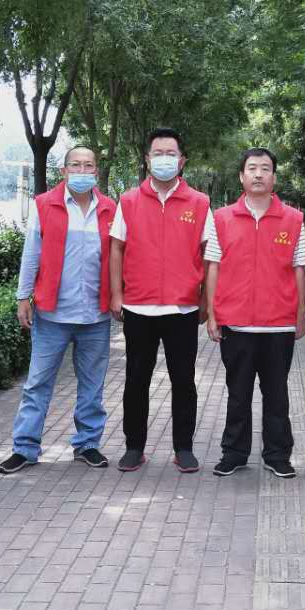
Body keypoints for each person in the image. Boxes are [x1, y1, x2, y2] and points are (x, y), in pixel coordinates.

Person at [0, 146, 117, 475]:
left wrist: (119, 296)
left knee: (92, 386)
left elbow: (119, 257)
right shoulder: (45, 205)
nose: (82, 171)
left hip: (95, 316)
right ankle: (24, 448)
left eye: (88, 165)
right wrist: (23, 296)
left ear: (96, 172)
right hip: (52, 315)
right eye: (75, 165)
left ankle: (87, 444)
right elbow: (31, 254)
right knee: (37, 384)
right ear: (63, 171)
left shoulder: (110, 209)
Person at [110, 127, 215, 473]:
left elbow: (210, 254)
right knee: (135, 380)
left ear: (182, 161)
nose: (164, 159)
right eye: (158, 153)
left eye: (171, 154)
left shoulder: (199, 203)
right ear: (147, 159)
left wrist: (205, 301)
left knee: (183, 381)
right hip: (138, 306)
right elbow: (116, 248)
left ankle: (183, 448)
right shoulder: (129, 201)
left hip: (182, 308)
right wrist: (116, 294)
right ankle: (134, 447)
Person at [204, 147, 305, 479]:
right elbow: (213, 266)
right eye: (252, 168)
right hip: (236, 324)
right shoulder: (222, 218)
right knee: (238, 394)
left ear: (274, 177)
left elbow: (299, 269)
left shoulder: (293, 219)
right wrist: (212, 314)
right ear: (242, 176)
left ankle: (278, 455)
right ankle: (234, 453)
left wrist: (300, 314)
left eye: (265, 168)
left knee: (277, 395)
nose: (259, 174)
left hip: (278, 325)